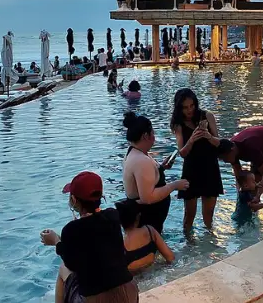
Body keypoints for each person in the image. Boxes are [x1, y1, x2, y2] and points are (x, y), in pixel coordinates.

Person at [39, 171, 138, 303]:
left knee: (63, 268)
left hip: (95, 299)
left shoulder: (71, 229)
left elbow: (72, 264)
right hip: (129, 293)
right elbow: (94, 243)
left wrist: (56, 241)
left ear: (74, 200)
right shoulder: (113, 216)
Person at [122, 112, 188, 234]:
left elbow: (142, 179)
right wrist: (174, 185)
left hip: (145, 216)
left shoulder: (134, 152)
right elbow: (147, 198)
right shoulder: (141, 160)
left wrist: (161, 168)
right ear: (145, 136)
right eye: (152, 132)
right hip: (148, 218)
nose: (154, 136)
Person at [171, 88, 223, 231]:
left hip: (210, 167)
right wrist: (192, 139)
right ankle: (188, 245)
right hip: (191, 169)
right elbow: (182, 153)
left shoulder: (207, 116)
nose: (189, 110)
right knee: (189, 215)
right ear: (179, 108)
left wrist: (208, 136)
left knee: (209, 215)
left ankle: (209, 244)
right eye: (185, 107)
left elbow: (219, 144)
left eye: (192, 106)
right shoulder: (179, 124)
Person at [217, 125, 263, 208]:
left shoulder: (250, 148)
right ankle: (253, 210)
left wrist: (258, 195)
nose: (225, 161)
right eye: (222, 159)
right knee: (252, 182)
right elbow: (239, 177)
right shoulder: (229, 151)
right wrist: (240, 193)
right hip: (259, 145)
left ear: (232, 150)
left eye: (225, 158)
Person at [115, 199, 175, 272]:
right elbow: (170, 257)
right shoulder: (150, 231)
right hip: (153, 273)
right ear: (138, 216)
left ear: (119, 221)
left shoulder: (121, 245)